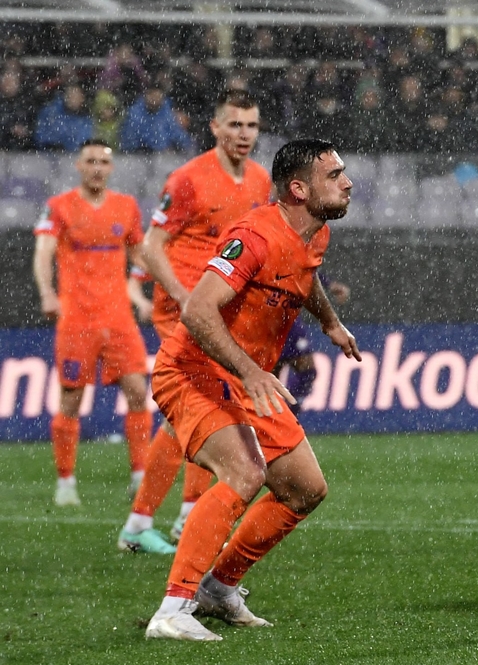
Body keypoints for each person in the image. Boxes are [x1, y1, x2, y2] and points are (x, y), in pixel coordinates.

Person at [144, 139, 359, 641]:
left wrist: (329, 321)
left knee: (305, 489)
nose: (347, 183)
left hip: (244, 378)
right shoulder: (255, 235)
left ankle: (218, 588)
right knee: (244, 472)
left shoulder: (316, 233)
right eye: (334, 175)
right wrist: (250, 371)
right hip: (194, 370)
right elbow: (198, 310)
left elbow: (305, 275)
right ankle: (172, 611)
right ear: (298, 189)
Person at [118, 90, 271, 555]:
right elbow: (151, 246)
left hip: (221, 313)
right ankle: (144, 523)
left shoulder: (259, 179)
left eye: (251, 126)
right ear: (215, 127)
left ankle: (179, 516)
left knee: (205, 410)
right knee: (194, 411)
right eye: (234, 125)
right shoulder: (188, 179)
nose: (243, 134)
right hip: (182, 312)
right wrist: (185, 296)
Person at [32, 138, 154, 507]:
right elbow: (43, 253)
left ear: (111, 167)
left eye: (103, 161)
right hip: (77, 319)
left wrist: (156, 283)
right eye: (91, 161)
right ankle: (65, 482)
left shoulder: (126, 206)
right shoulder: (60, 207)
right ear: (79, 165)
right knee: (71, 399)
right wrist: (47, 292)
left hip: (118, 318)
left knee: (138, 391)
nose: (97, 167)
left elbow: (140, 254)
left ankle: (140, 476)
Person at [273, 276, 350, 414]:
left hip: (290, 320)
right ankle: (271, 418)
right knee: (268, 382)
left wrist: (328, 283)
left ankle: (288, 415)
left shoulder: (295, 266)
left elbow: (305, 269)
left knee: (308, 372)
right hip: (266, 321)